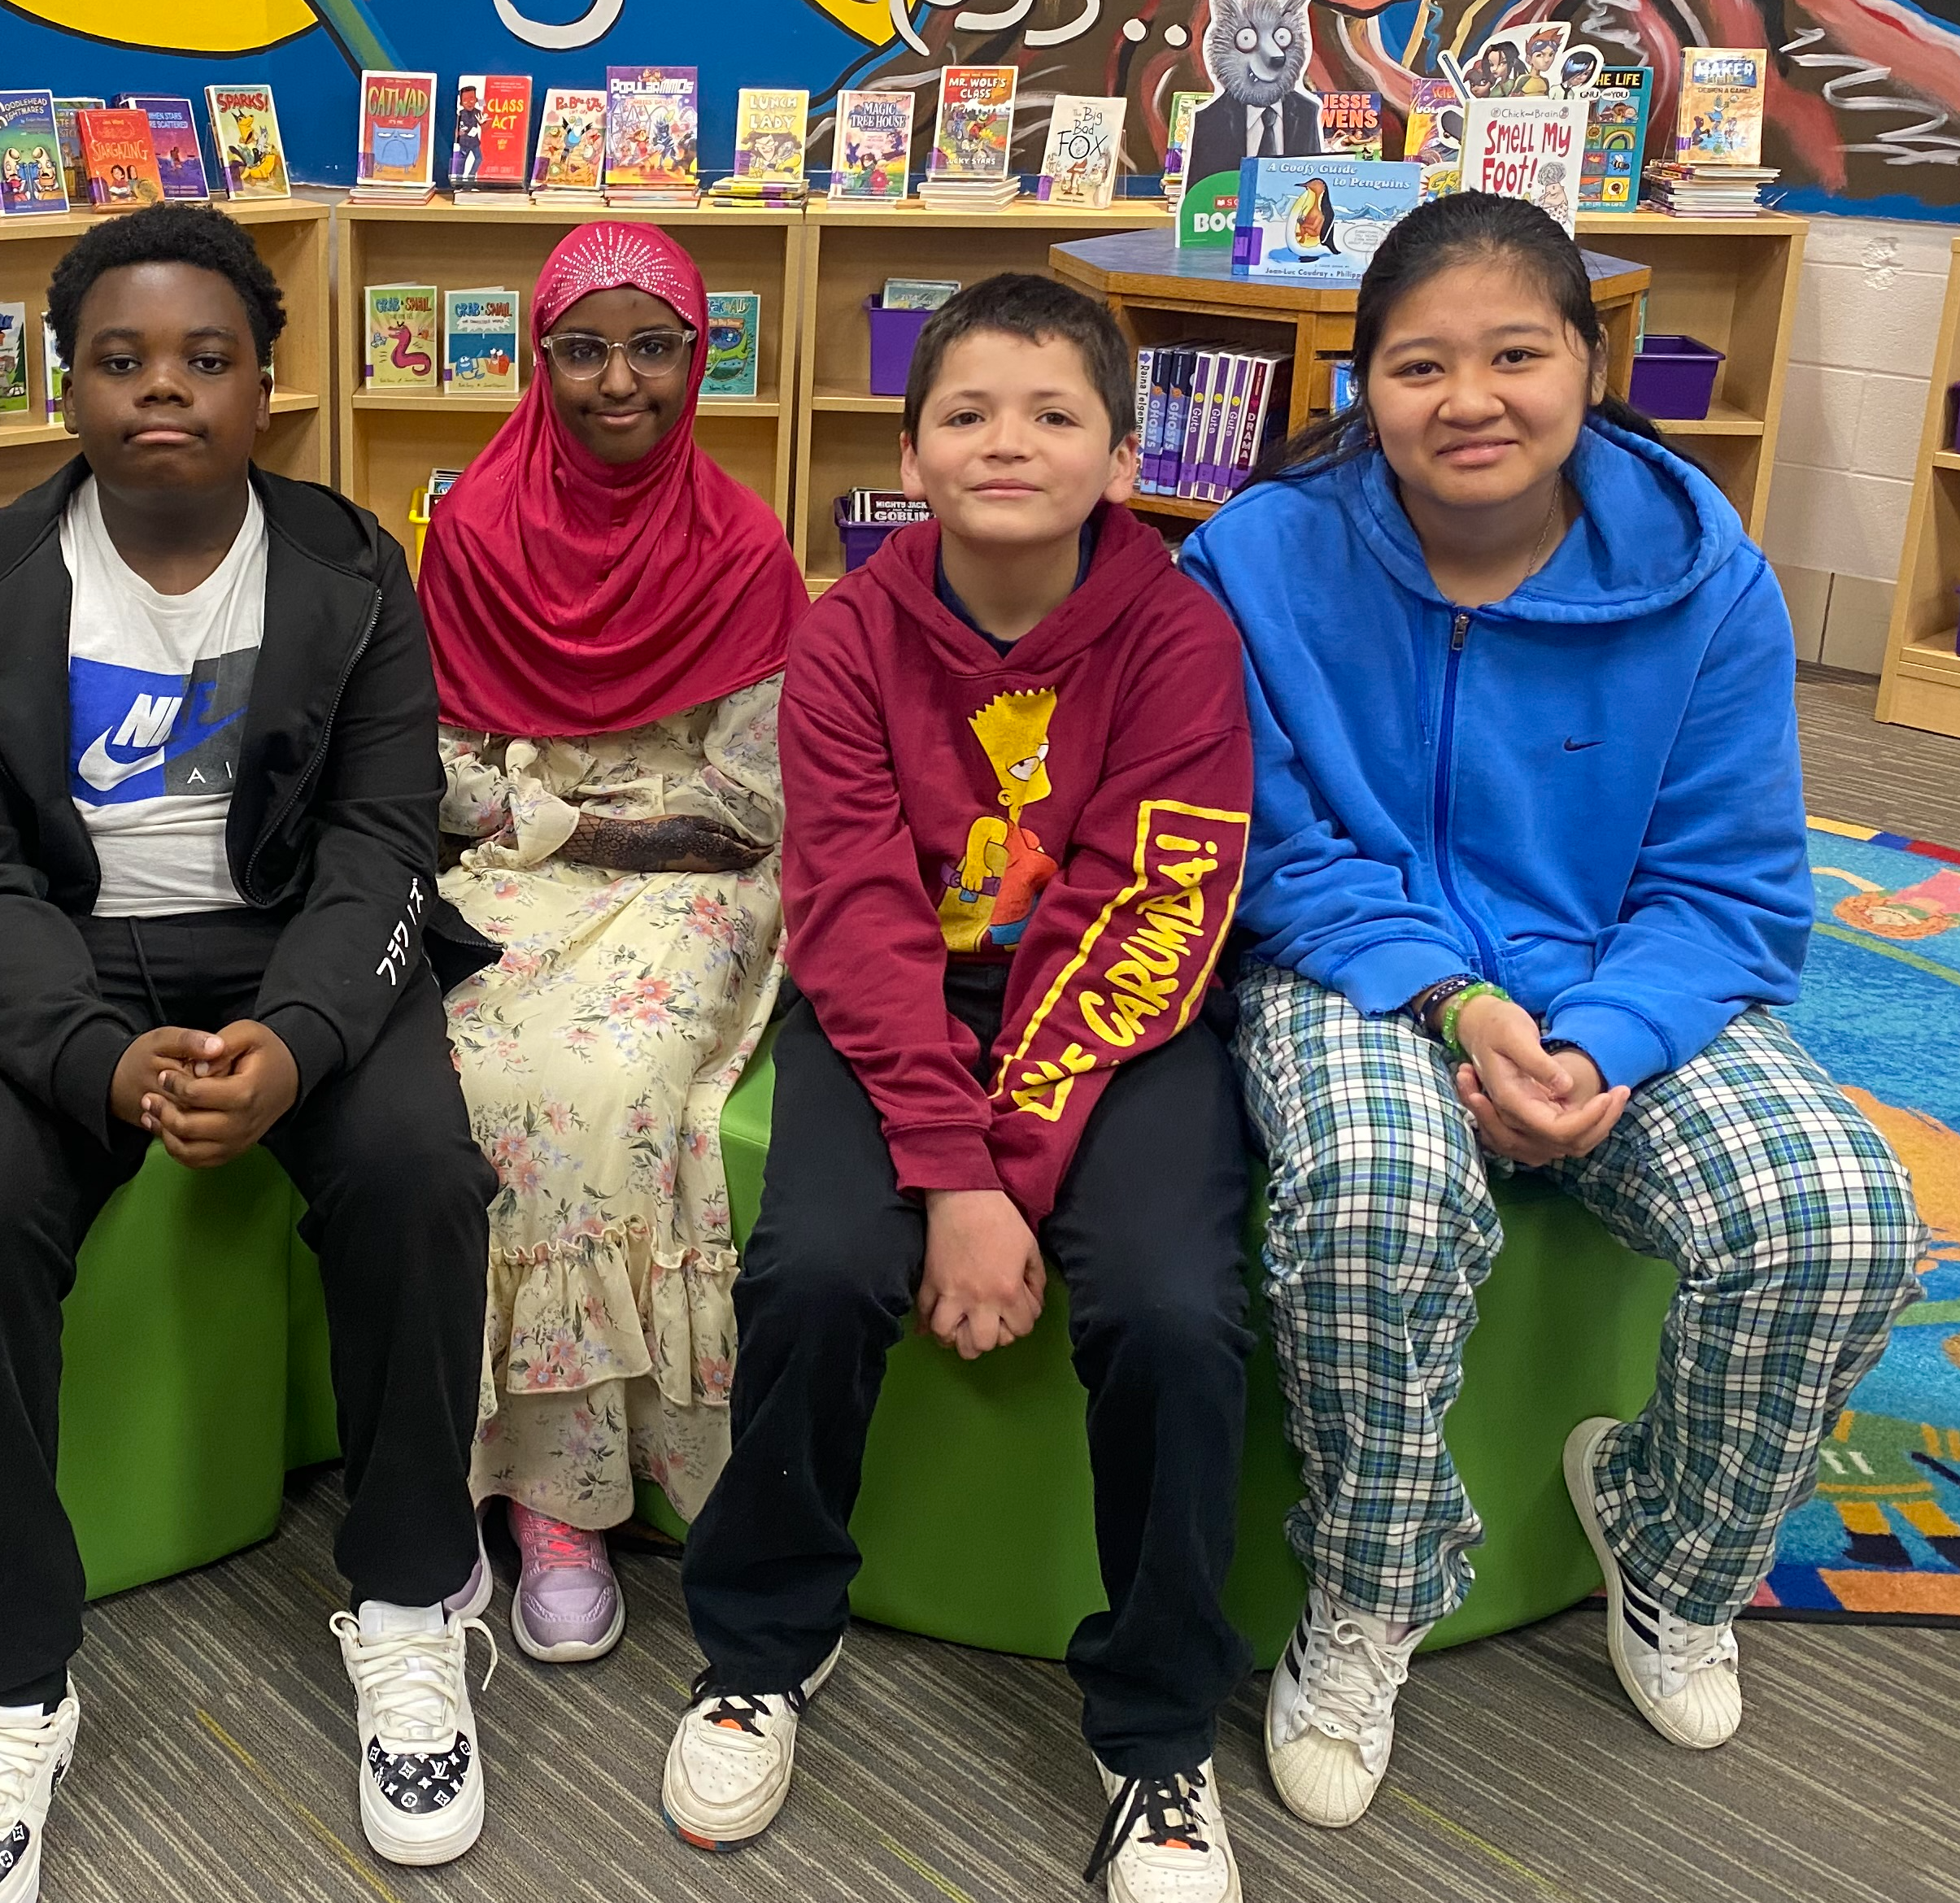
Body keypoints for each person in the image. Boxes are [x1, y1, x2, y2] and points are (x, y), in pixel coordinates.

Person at [1179, 191, 1923, 1831]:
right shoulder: (1254, 560)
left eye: (1514, 353)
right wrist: (1451, 1003)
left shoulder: (1706, 581)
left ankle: (1671, 1549)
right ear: (1359, 386)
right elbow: (1266, 848)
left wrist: (1594, 1041)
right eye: (1415, 364)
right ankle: (1369, 1594)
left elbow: (1729, 886)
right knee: (1376, 1198)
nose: (1467, 400)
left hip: (1617, 982)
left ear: (1587, 364)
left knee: (1837, 1217)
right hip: (1362, 969)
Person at [0, 202, 499, 1901]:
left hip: (288, 946)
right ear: (64, 387)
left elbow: (386, 842)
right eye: (122, 360)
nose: (165, 389)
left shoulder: (354, 566)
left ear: (264, 383)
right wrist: (96, 1059)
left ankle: (407, 1596)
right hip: (55, 970)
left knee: (419, 1175)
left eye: (206, 359)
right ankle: (6, 1684)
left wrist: (298, 1043)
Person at [664, 274, 1257, 1903]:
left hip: (1119, 1019)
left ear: (1122, 457)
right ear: (908, 453)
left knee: (1171, 1308)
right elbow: (850, 908)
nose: (1008, 442)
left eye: (1053, 412)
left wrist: (1011, 1167)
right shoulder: (847, 629)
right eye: (968, 412)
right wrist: (948, 1168)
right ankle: (761, 1643)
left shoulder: (1178, 635)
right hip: (893, 1008)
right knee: (812, 1269)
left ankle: (1153, 1732)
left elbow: (1145, 906)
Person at [418, 220, 799, 1665]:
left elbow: (750, 807)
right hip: (516, 868)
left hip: (686, 899)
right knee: (444, 1074)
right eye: (583, 349)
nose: (618, 382)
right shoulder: (476, 528)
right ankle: (457, 1476)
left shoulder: (742, 541)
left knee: (604, 1092)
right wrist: (576, 825)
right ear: (539, 360)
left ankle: (567, 1506)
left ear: (699, 360)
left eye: (654, 348)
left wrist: (563, 821)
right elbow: (440, 762)